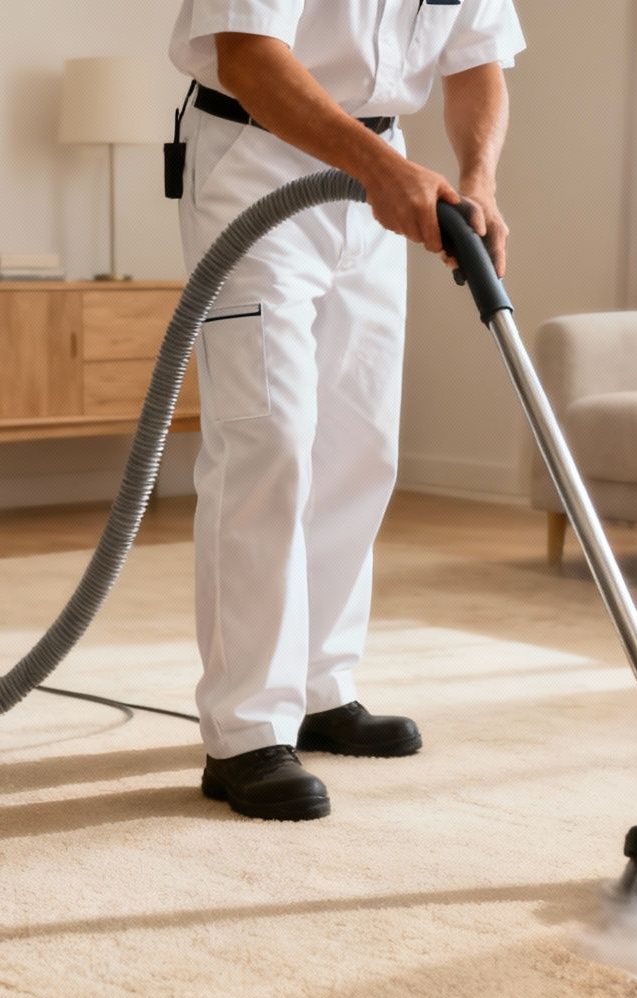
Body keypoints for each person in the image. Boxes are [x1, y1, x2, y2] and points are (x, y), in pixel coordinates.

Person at [168, 1, 524, 820]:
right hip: (254, 161)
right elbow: (247, 56)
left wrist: (478, 181)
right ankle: (246, 728)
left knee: (360, 444)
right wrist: (381, 168)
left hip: (377, 182)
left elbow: (477, 60)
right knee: (268, 441)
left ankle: (320, 687)